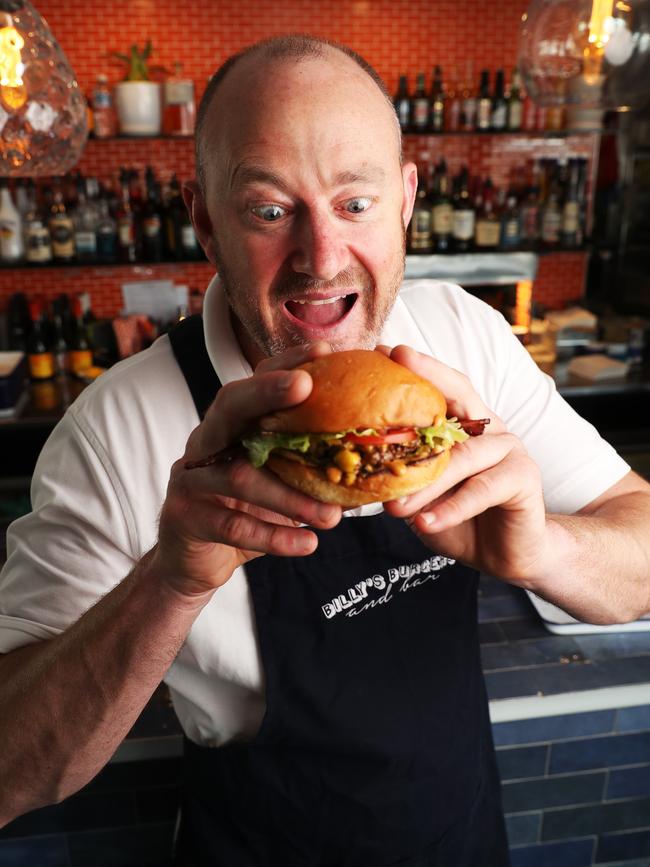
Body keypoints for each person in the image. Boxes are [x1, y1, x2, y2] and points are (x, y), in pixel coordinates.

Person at [0, 34, 649, 866]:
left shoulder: (465, 339)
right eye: (269, 210)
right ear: (205, 223)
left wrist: (548, 549)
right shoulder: (114, 427)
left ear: (408, 199)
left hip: (461, 833)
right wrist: (168, 583)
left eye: (356, 202)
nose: (321, 257)